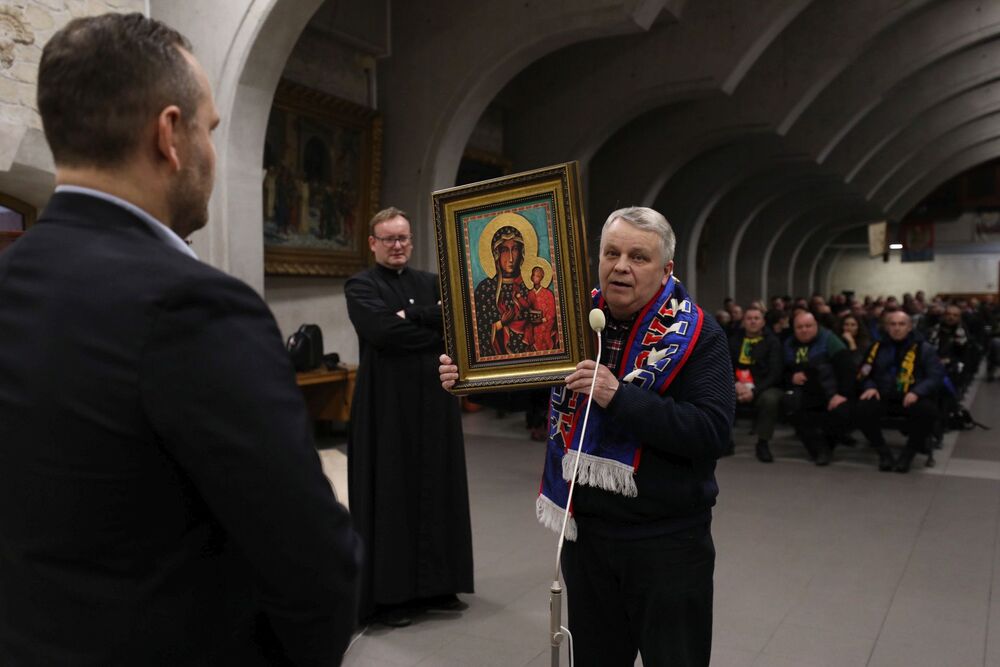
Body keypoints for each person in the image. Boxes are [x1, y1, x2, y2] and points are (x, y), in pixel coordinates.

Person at [0, 14, 360, 666]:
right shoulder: (195, 306)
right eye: (211, 129)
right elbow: (315, 568)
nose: (213, 152)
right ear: (170, 135)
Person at [443, 206, 733, 666]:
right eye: (611, 253)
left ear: (666, 270)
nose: (621, 266)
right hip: (588, 538)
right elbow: (529, 391)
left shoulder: (698, 333)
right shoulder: (570, 319)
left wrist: (619, 396)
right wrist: (469, 376)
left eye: (638, 257)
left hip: (667, 542)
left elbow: (711, 432)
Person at [345, 207, 474, 628]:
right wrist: (429, 324)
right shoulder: (360, 285)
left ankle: (440, 585)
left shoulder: (433, 283)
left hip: (435, 400)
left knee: (439, 485)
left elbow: (457, 322)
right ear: (373, 243)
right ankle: (391, 597)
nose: (397, 246)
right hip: (386, 407)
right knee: (392, 491)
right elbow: (381, 332)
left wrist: (413, 316)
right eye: (389, 239)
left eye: (403, 238)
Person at [854, 310, 945, 472]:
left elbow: (935, 376)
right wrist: (870, 386)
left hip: (911, 395)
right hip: (883, 394)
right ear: (887, 327)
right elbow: (863, 372)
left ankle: (908, 455)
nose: (897, 328)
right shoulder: (876, 347)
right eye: (893, 324)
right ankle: (883, 453)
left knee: (928, 412)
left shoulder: (924, 349)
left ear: (910, 327)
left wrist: (917, 391)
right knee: (861, 409)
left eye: (902, 324)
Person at [781, 311, 854, 466]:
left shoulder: (830, 340)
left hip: (830, 390)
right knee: (791, 405)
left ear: (816, 326)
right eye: (799, 327)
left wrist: (841, 394)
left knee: (841, 412)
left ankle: (826, 447)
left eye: (808, 326)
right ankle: (819, 450)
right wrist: (791, 377)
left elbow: (847, 368)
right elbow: (782, 370)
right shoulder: (788, 344)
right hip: (802, 390)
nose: (804, 330)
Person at [729, 305, 784, 462]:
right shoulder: (734, 340)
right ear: (743, 322)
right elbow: (726, 366)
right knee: (719, 394)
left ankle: (763, 443)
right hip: (738, 384)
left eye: (756, 318)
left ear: (763, 322)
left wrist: (753, 390)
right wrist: (735, 384)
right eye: (749, 318)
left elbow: (775, 373)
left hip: (763, 386)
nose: (753, 322)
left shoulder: (772, 342)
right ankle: (725, 441)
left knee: (770, 400)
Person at [473, 224, 531, 356]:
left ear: (521, 252)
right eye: (505, 250)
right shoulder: (485, 289)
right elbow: (476, 334)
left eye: (515, 249)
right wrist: (500, 324)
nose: (511, 258)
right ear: (496, 254)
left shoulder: (527, 286)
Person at [524, 264, 557, 351]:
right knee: (528, 329)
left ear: (542, 278)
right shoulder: (529, 293)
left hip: (545, 322)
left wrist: (543, 319)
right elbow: (527, 307)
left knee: (540, 331)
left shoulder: (548, 293)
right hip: (533, 321)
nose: (535, 277)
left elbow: (552, 311)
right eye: (533, 275)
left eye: (537, 276)